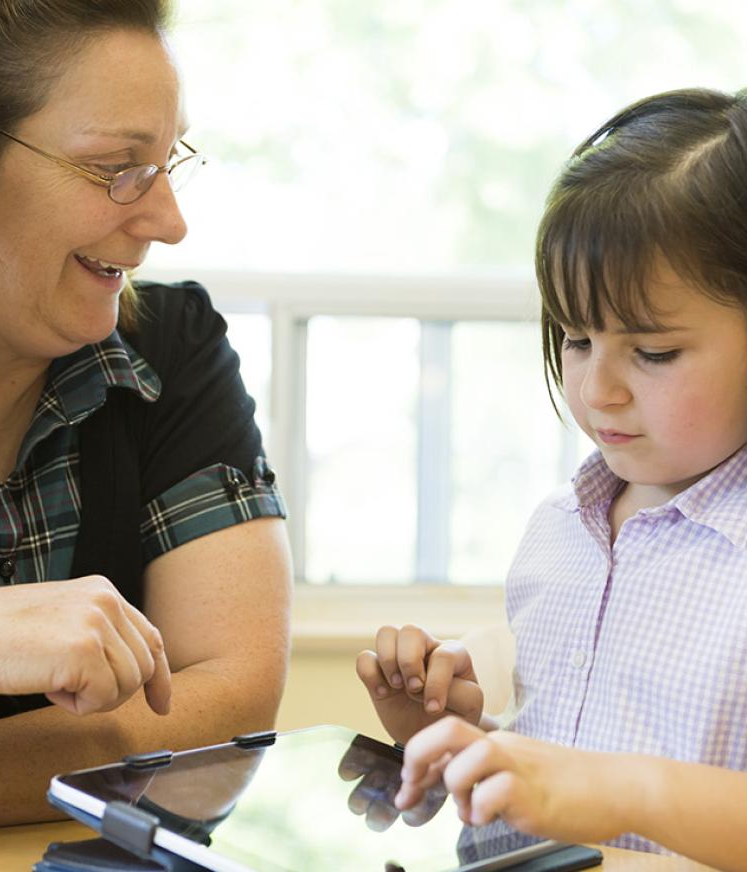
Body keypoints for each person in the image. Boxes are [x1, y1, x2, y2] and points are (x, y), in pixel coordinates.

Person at [358, 87, 747, 871]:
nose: (597, 389)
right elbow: (561, 801)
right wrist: (464, 748)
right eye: (574, 338)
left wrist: (618, 790)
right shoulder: (558, 531)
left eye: (654, 352)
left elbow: (605, 792)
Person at [0, 0, 292, 827]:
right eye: (116, 166)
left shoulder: (170, 352)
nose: (169, 221)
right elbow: (171, 725)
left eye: (166, 162)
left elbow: (229, 703)